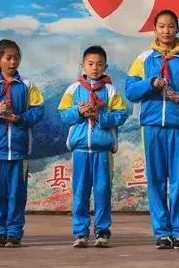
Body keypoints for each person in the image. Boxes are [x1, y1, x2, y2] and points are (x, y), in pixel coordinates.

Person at [126, 9, 179, 250]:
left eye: (171, 26)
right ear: (155, 30)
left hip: (178, 125)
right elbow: (130, 91)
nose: (166, 31)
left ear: (177, 29)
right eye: (161, 26)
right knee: (157, 181)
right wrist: (150, 83)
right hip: (152, 125)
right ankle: (162, 232)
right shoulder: (143, 59)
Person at [0, 39, 45, 248]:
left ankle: (14, 232)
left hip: (19, 150)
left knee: (17, 194)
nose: (13, 62)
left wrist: (19, 118)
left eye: (16, 57)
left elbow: (38, 111)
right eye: (8, 57)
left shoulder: (27, 85)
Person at [58, 45, 129, 248]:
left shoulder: (110, 90)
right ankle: (80, 232)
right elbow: (64, 115)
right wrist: (79, 112)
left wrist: (100, 116)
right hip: (80, 151)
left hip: (102, 151)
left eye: (99, 64)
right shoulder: (74, 89)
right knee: (80, 192)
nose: (95, 68)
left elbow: (121, 115)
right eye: (90, 64)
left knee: (102, 191)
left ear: (105, 66)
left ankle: (102, 231)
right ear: (83, 66)